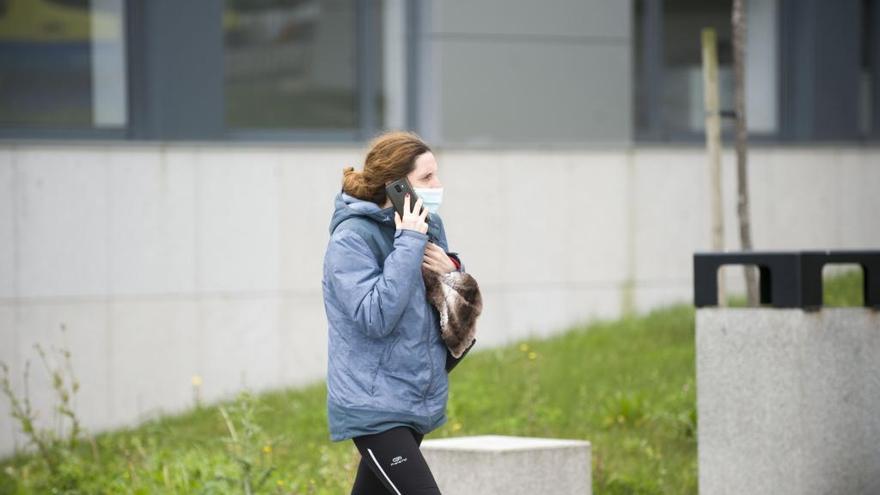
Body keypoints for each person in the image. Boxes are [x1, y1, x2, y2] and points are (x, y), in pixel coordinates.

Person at [321, 130, 468, 494]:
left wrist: (450, 273)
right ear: (396, 185)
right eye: (426, 177)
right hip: (373, 405)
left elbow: (445, 311)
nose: (438, 185)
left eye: (436, 174)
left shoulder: (427, 226)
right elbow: (375, 317)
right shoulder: (352, 239)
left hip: (414, 395)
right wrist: (409, 244)